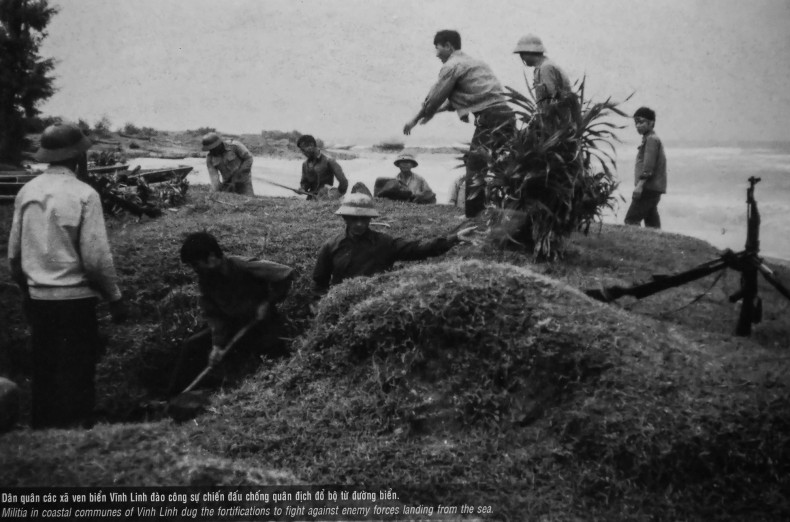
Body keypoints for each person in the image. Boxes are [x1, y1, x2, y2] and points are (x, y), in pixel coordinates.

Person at [7, 123, 127, 429]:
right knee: (78, 367)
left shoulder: (27, 191)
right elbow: (96, 259)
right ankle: (77, 428)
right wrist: (114, 298)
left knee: (44, 368)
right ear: (78, 157)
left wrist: (28, 293)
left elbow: (14, 257)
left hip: (40, 299)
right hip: (75, 300)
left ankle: (44, 429)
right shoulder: (85, 194)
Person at [403, 30, 515, 218]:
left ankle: (473, 215)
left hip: (490, 118)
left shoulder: (452, 65)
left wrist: (414, 120)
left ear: (448, 46)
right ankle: (509, 212)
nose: (436, 53)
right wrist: (432, 114)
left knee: (475, 166)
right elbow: (455, 100)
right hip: (506, 116)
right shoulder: (476, 63)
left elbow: (434, 97)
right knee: (504, 166)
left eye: (437, 48)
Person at [170, 232, 295, 394]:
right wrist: (217, 345)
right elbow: (214, 315)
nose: (195, 269)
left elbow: (286, 273)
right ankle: (172, 396)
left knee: (272, 357)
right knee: (192, 346)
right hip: (232, 327)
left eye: (196, 264)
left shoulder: (241, 265)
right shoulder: (206, 280)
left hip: (262, 325)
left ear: (212, 257)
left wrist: (267, 303)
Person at [312, 193, 476, 299]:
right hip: (341, 302)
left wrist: (452, 239)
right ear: (345, 218)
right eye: (354, 219)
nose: (360, 224)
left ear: (370, 219)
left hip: (376, 301)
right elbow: (320, 283)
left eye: (364, 219)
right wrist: (322, 303)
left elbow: (417, 248)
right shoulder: (331, 246)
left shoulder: (384, 242)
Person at [624, 107, 667, 229]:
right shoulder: (650, 139)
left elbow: (648, 167)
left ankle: (633, 247)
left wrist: (639, 186)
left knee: (631, 219)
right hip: (653, 188)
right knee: (652, 223)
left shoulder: (651, 140)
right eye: (636, 123)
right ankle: (659, 246)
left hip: (648, 188)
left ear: (651, 123)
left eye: (641, 122)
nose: (638, 126)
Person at [513, 34, 572, 112]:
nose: (522, 58)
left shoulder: (546, 68)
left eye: (522, 54)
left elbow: (552, 99)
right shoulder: (542, 67)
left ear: (531, 52)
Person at [297, 134, 348, 199]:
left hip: (326, 199)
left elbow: (343, 181)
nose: (303, 153)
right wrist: (302, 189)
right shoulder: (305, 164)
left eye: (303, 150)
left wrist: (338, 194)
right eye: (301, 150)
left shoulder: (329, 161)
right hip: (311, 200)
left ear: (311, 145)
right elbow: (304, 183)